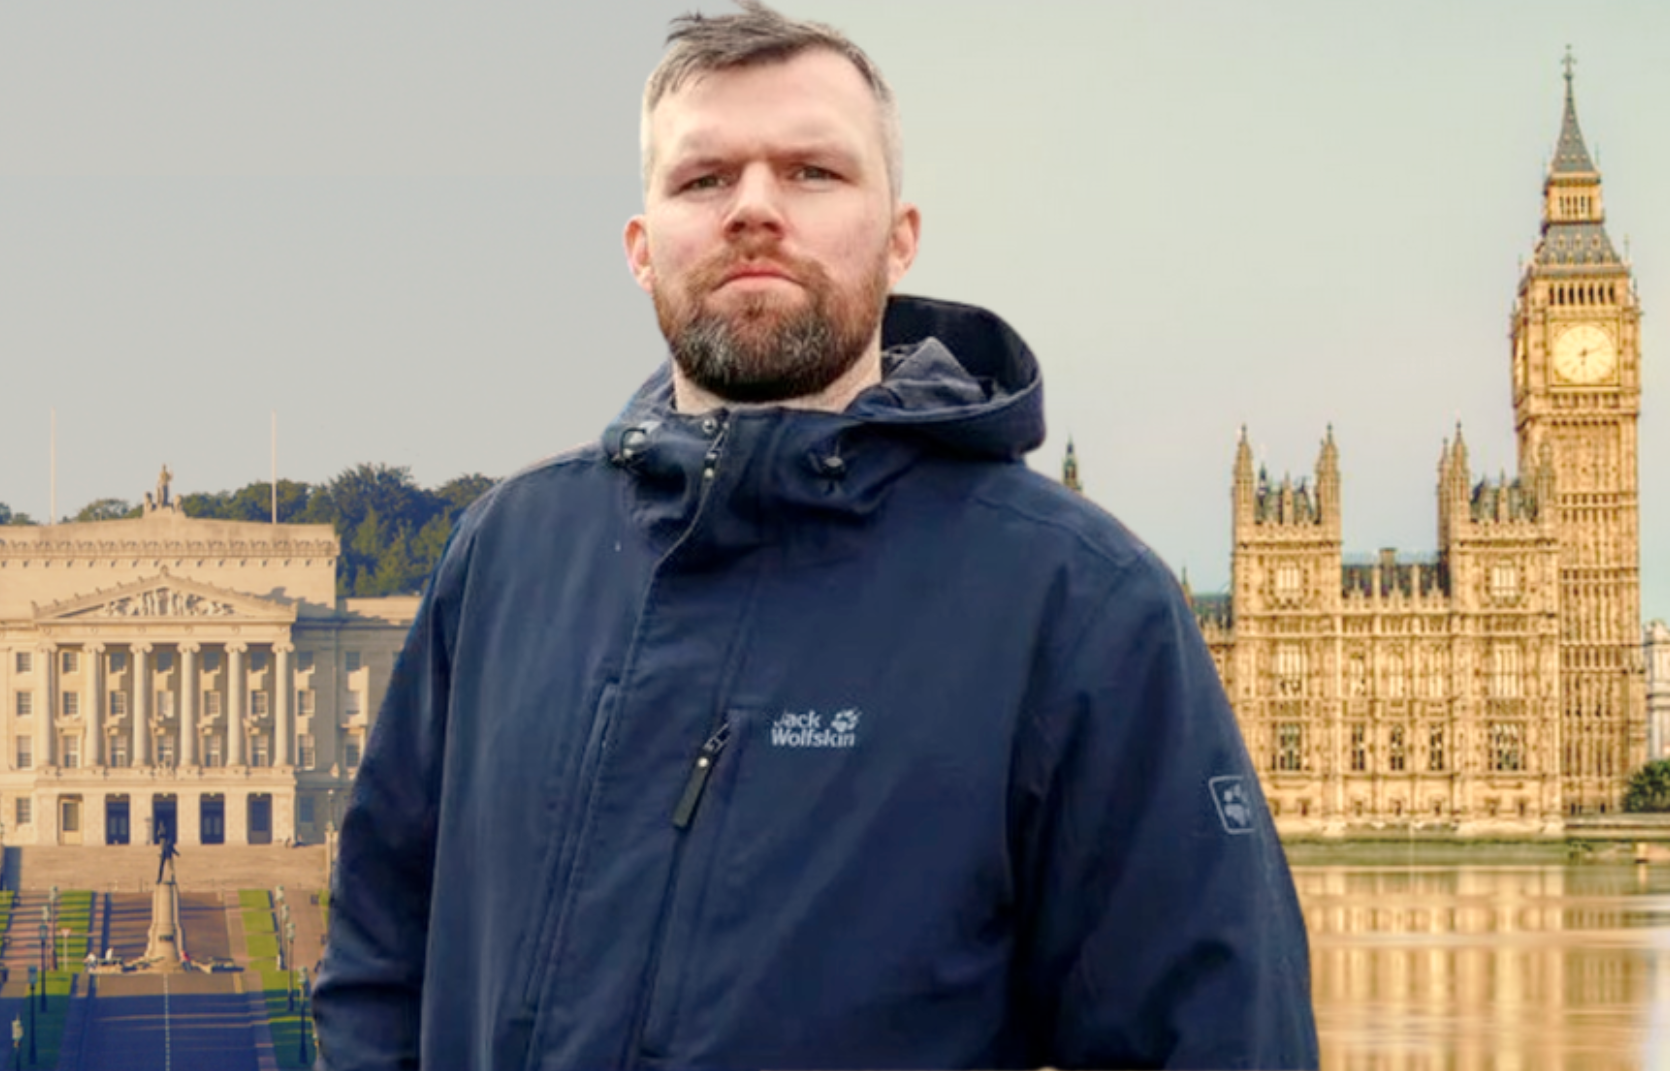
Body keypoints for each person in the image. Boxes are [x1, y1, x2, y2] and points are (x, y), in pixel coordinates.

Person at [315, 3, 1319, 1069]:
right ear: (641, 247)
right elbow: (380, 955)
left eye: (812, 173)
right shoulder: (506, 558)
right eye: (705, 178)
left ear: (900, 239)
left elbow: (1217, 1036)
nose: (755, 208)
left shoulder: (1082, 603)